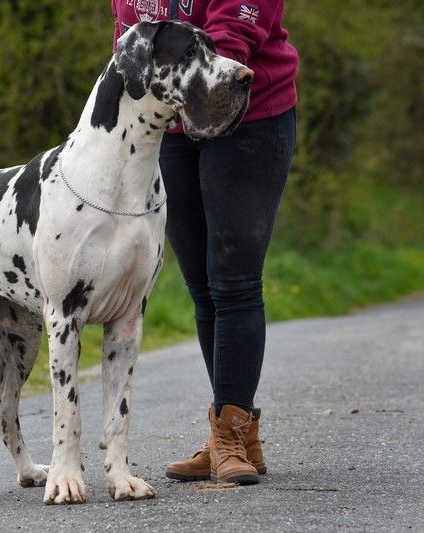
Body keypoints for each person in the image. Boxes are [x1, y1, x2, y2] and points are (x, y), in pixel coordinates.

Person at [111, 0, 298, 484]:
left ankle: (228, 435)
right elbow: (129, 37)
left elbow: (235, 30)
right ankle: (236, 433)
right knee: (200, 283)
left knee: (233, 280)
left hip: (249, 114)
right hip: (171, 122)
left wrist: (196, 83)